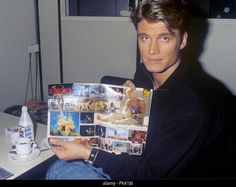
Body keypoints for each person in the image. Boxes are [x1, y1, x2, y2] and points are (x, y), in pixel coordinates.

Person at [46, 0, 234, 179]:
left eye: (165, 38)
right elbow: (139, 138)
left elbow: (149, 174)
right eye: (145, 38)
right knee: (61, 166)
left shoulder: (193, 103)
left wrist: (89, 154)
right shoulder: (146, 73)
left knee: (60, 171)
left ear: (183, 40)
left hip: (160, 174)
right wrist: (128, 104)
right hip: (144, 161)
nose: (152, 51)